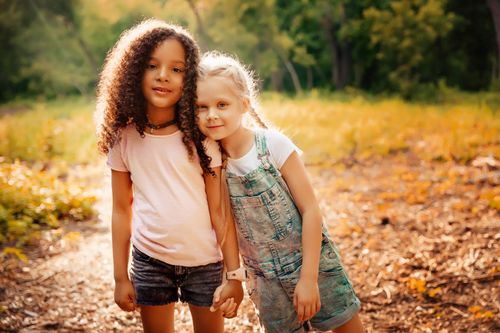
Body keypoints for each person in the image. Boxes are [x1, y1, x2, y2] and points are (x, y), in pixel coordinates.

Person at [196, 52, 366, 333]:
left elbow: (311, 211)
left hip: (313, 264)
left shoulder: (273, 145)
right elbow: (222, 220)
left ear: (244, 105)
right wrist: (234, 277)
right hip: (264, 280)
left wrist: (309, 279)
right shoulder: (212, 163)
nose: (211, 114)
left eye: (222, 104)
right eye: (200, 107)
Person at [95, 20, 243, 333]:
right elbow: (122, 210)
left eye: (176, 69)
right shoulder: (124, 138)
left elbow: (220, 212)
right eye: (152, 65)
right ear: (134, 70)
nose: (164, 75)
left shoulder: (201, 138)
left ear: (189, 79)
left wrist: (234, 275)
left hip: (205, 261)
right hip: (150, 261)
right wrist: (121, 276)